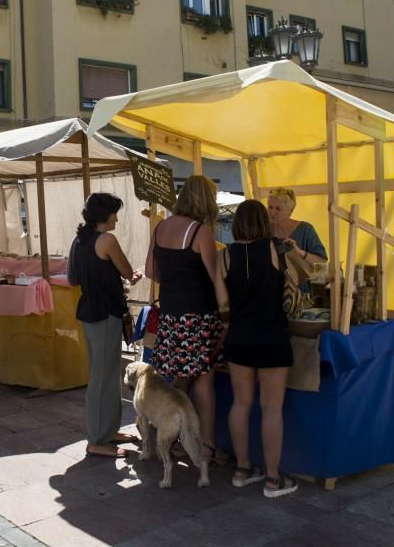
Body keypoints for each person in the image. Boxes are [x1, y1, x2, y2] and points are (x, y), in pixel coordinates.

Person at [145, 176, 229, 465]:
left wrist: (175, 278)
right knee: (204, 382)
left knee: (179, 380)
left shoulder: (160, 228)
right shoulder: (201, 232)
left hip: (171, 314)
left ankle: (172, 440)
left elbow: (150, 272)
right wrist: (226, 309)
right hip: (199, 316)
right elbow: (215, 275)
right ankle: (206, 445)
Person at [221, 200, 298, 499]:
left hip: (238, 337)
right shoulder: (277, 250)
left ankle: (242, 470)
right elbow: (295, 284)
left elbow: (223, 304)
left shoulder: (224, 256)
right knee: (271, 408)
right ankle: (273, 479)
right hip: (272, 337)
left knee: (241, 403)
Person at [68, 193, 142, 458]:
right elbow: (126, 269)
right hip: (105, 314)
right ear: (105, 214)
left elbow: (73, 278)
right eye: (115, 212)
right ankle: (97, 439)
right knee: (102, 378)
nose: (118, 218)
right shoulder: (106, 239)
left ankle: (108, 430)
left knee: (108, 374)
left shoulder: (79, 240)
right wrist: (129, 278)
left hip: (90, 311)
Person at [267, 187, 327, 264]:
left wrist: (299, 252)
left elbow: (322, 261)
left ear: (290, 211)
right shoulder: (264, 230)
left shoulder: (305, 230)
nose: (272, 212)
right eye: (270, 207)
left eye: (278, 209)